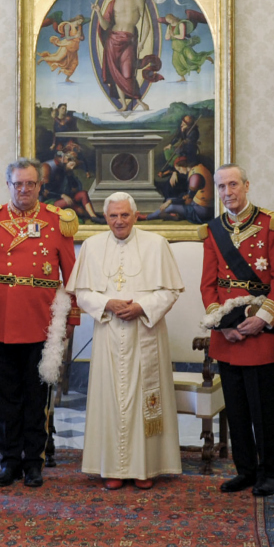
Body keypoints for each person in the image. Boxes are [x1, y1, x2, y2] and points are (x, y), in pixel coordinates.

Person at [0, 159, 79, 488]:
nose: (24, 189)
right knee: (5, 398)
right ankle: (9, 462)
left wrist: (70, 318)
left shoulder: (56, 221)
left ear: (40, 186)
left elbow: (71, 274)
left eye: (30, 184)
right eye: (18, 184)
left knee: (36, 398)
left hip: (41, 323)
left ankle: (34, 462)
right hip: (0, 321)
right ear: (9, 185)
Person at [71, 192, 184, 489]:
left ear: (135, 216)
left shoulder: (156, 244)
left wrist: (142, 307)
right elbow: (81, 293)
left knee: (144, 400)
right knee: (110, 400)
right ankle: (112, 467)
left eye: (124, 215)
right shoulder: (92, 247)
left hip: (146, 332)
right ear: (105, 217)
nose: (119, 221)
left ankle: (145, 468)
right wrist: (108, 303)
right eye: (113, 216)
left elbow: (170, 291)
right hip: (109, 333)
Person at [200, 164, 274, 497]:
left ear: (247, 185)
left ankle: (269, 471)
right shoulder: (213, 229)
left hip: (259, 332)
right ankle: (245, 470)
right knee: (235, 408)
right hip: (227, 334)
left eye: (233, 184)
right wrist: (222, 326)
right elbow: (208, 284)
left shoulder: (271, 225)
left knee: (263, 409)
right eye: (222, 187)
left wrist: (263, 318)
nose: (228, 192)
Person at [92, 0, 153, 111]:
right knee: (116, 73)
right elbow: (105, 26)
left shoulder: (138, 0)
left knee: (127, 73)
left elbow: (147, 24)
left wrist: (142, 42)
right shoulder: (113, 2)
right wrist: (98, 12)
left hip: (129, 41)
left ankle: (139, 101)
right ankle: (125, 105)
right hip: (112, 40)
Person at [162, 12, 213, 81]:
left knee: (193, 57)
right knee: (176, 62)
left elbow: (182, 36)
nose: (168, 22)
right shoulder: (169, 27)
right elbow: (166, 37)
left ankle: (206, 57)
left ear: (172, 18)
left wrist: (173, 35)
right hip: (175, 46)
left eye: (169, 20)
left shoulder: (181, 24)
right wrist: (168, 35)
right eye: (167, 21)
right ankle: (183, 78)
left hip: (183, 45)